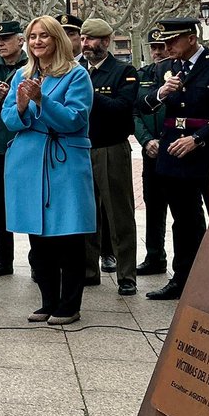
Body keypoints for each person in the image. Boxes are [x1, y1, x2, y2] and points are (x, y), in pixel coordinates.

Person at [2, 16, 95, 325]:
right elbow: (8, 121)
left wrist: (42, 100)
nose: (37, 41)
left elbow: (74, 119)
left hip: (63, 162)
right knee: (38, 237)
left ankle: (69, 304)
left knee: (67, 235)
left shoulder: (76, 75)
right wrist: (21, 106)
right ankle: (47, 301)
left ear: (57, 40)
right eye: (32, 36)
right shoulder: (21, 75)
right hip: (27, 163)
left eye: (44, 36)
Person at [139, 17, 209, 300]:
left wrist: (198, 139)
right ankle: (183, 280)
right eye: (164, 41)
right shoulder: (166, 68)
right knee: (184, 221)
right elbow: (143, 106)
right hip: (174, 153)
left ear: (191, 39)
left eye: (172, 41)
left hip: (207, 153)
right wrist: (161, 91)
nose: (167, 46)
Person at [78, 17, 139, 295]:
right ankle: (89, 270)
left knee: (119, 214)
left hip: (111, 148)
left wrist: (90, 94)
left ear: (106, 41)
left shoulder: (123, 71)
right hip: (81, 149)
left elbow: (122, 108)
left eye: (91, 39)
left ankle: (127, 275)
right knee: (86, 214)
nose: (85, 44)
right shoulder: (77, 70)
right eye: (82, 39)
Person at [0, 20, 27, 276]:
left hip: (25, 146)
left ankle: (37, 259)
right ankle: (3, 259)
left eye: (7, 38)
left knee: (32, 202)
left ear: (20, 40)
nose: (1, 43)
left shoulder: (32, 67)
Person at [133, 28, 172, 276]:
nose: (157, 53)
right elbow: (134, 112)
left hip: (177, 151)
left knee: (185, 211)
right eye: (153, 48)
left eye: (162, 47)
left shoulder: (182, 75)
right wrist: (146, 141)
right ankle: (155, 256)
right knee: (153, 206)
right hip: (151, 152)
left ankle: (191, 261)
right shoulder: (141, 76)